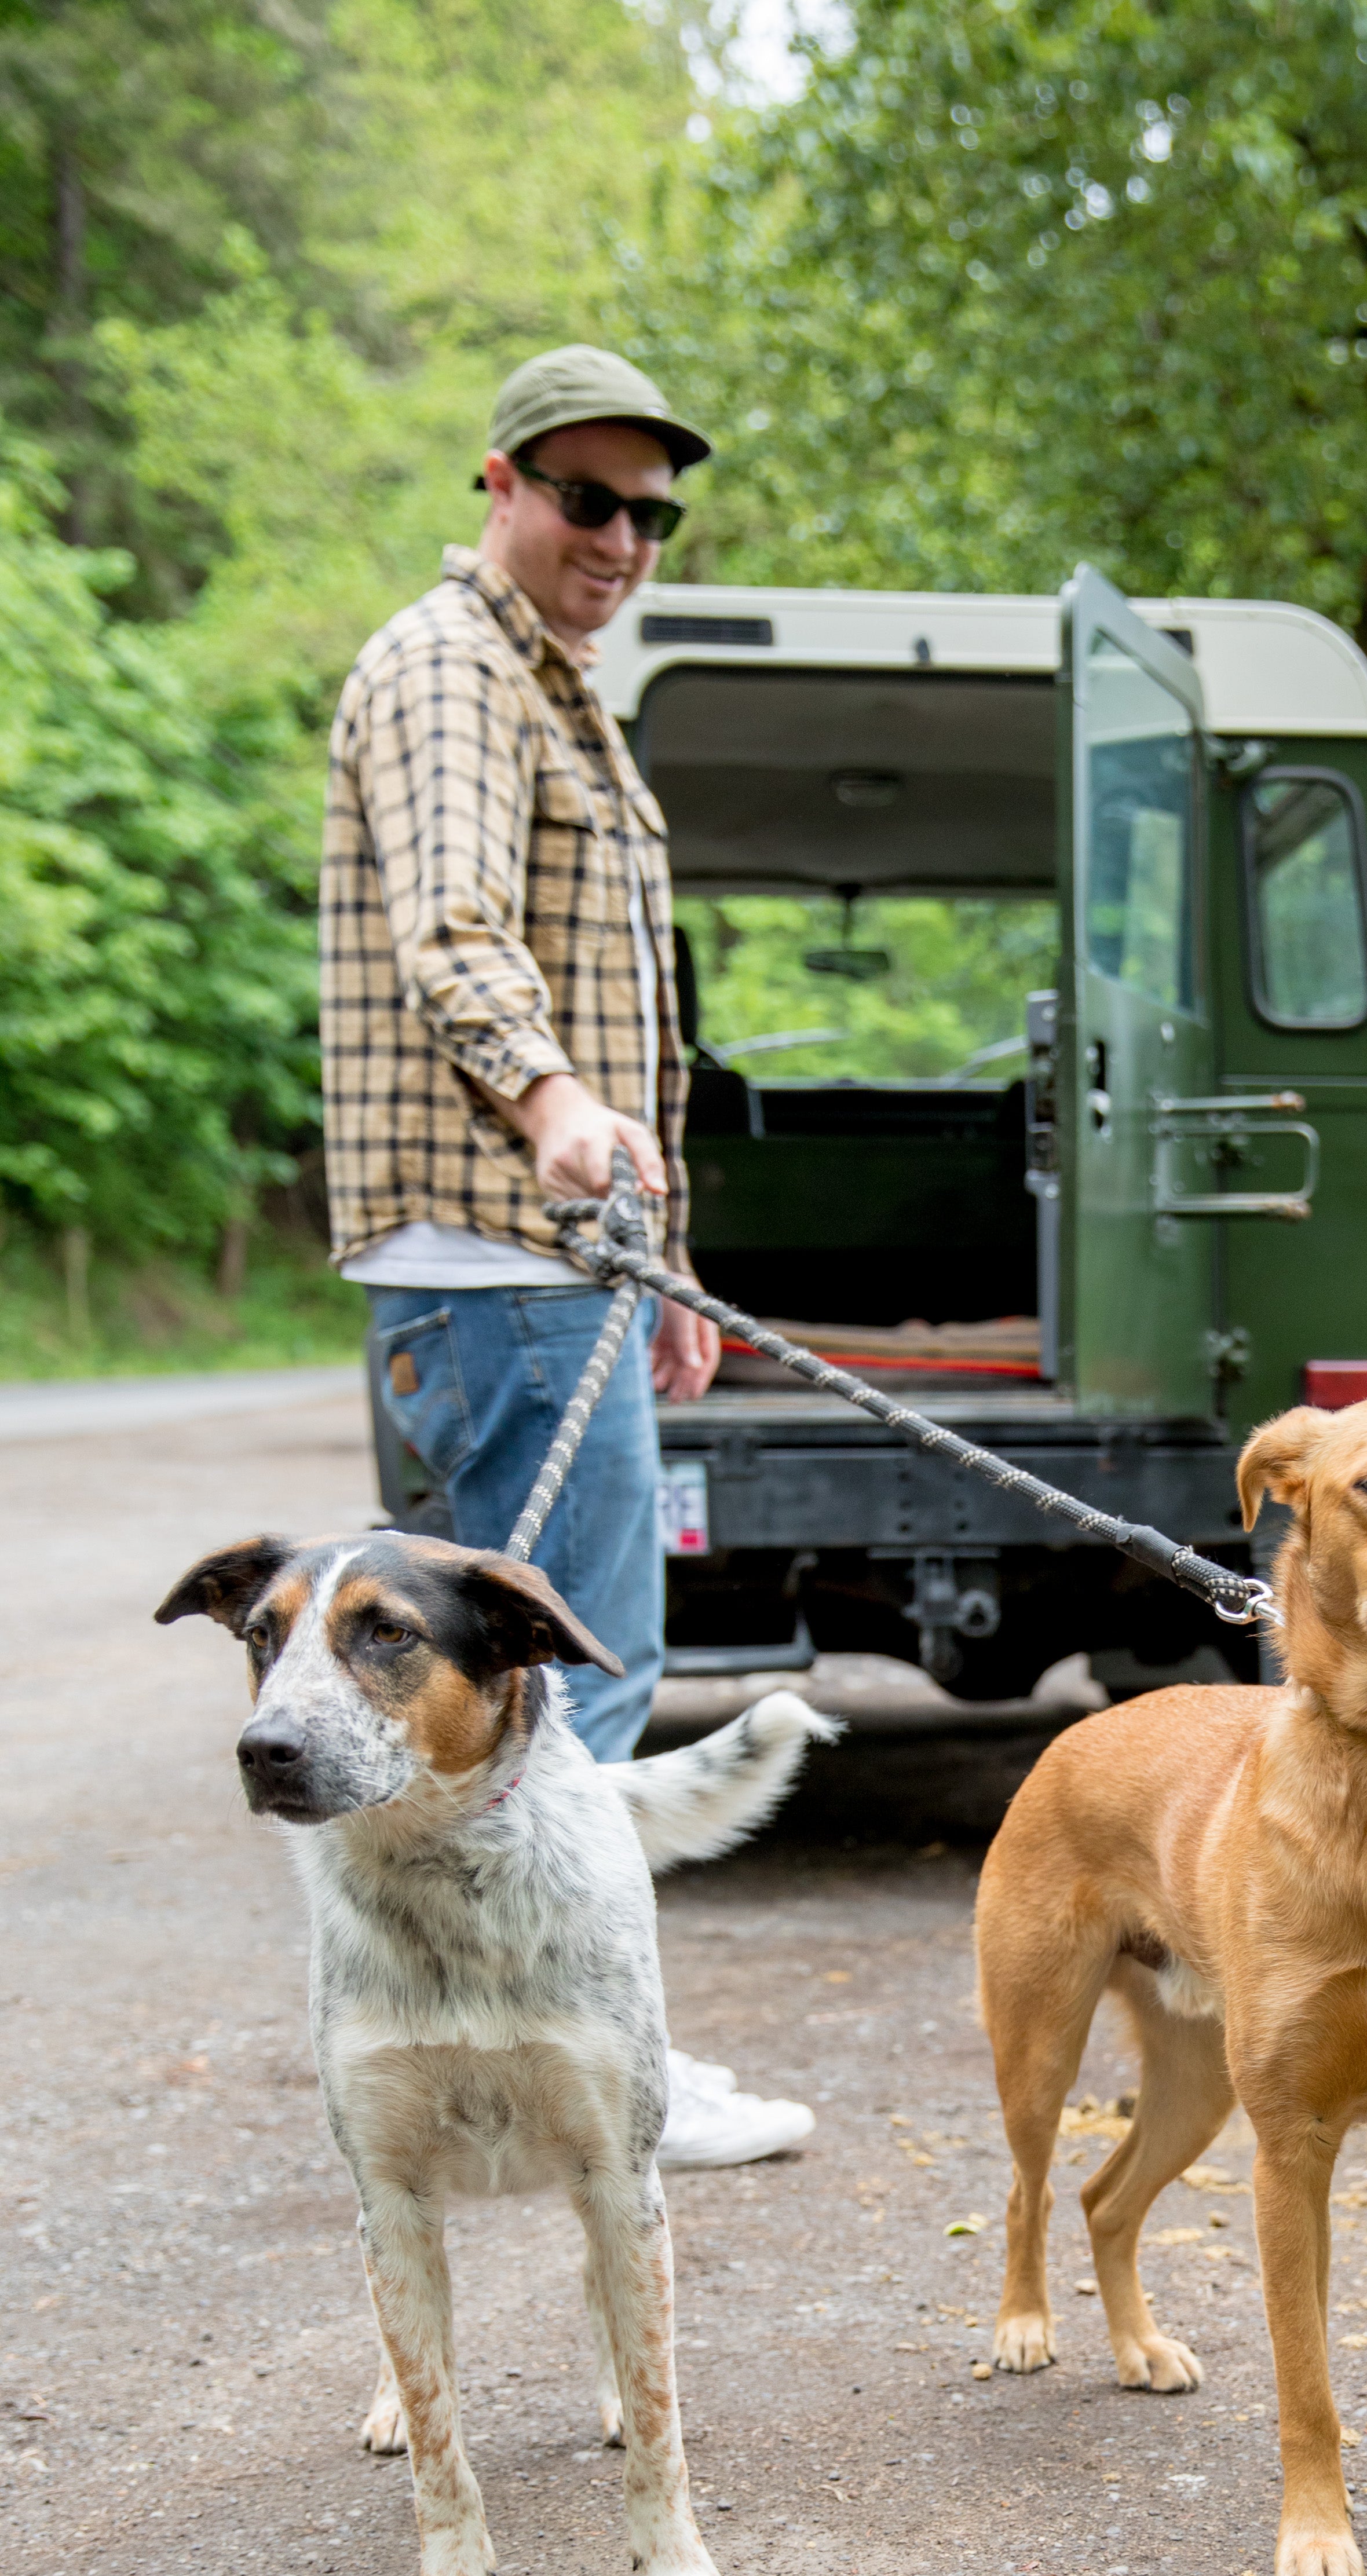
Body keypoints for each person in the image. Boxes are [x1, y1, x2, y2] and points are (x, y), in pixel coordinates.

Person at [319, 342, 813, 2168]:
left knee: (480, 1719)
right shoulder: (453, 670)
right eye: (588, 498)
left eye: (651, 511)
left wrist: (655, 1260)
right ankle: (615, 2089)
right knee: (562, 1696)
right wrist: (546, 1112)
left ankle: (514, 2071)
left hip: (543, 1271)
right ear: (504, 483)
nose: (621, 537)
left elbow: (615, 999)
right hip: (498, 1255)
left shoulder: (557, 687)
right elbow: (457, 925)